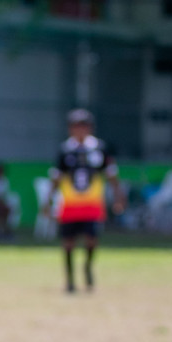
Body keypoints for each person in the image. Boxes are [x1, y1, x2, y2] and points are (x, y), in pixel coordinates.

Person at [49, 108, 123, 292]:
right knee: (68, 242)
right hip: (70, 204)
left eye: (83, 126)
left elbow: (111, 175)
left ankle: (88, 267)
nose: (80, 130)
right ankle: (70, 279)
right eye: (76, 126)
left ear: (90, 128)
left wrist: (118, 197)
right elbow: (56, 178)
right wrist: (48, 201)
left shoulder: (99, 148)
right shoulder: (65, 150)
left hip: (92, 203)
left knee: (91, 240)